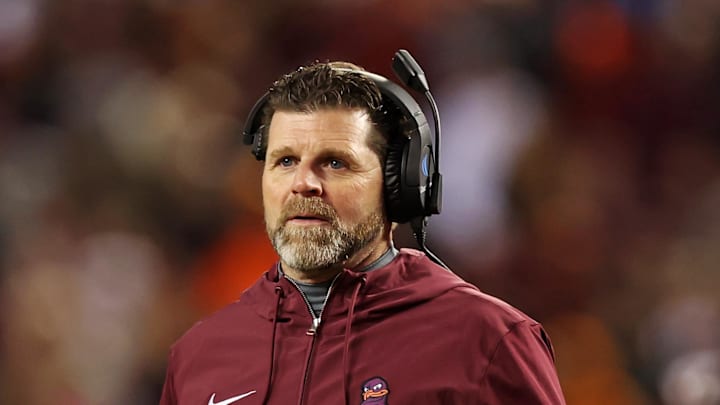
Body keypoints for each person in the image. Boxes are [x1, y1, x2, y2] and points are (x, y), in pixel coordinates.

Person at [159, 51, 566, 405]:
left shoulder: (486, 341)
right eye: (285, 161)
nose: (304, 183)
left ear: (397, 185)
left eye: (335, 162)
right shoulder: (199, 355)